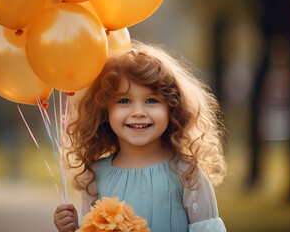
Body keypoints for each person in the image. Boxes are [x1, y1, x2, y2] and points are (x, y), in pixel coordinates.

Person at [53, 41, 227, 232]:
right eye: (124, 100)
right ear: (104, 110)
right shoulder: (95, 175)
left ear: (172, 107)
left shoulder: (186, 172)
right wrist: (72, 229)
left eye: (151, 100)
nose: (138, 112)